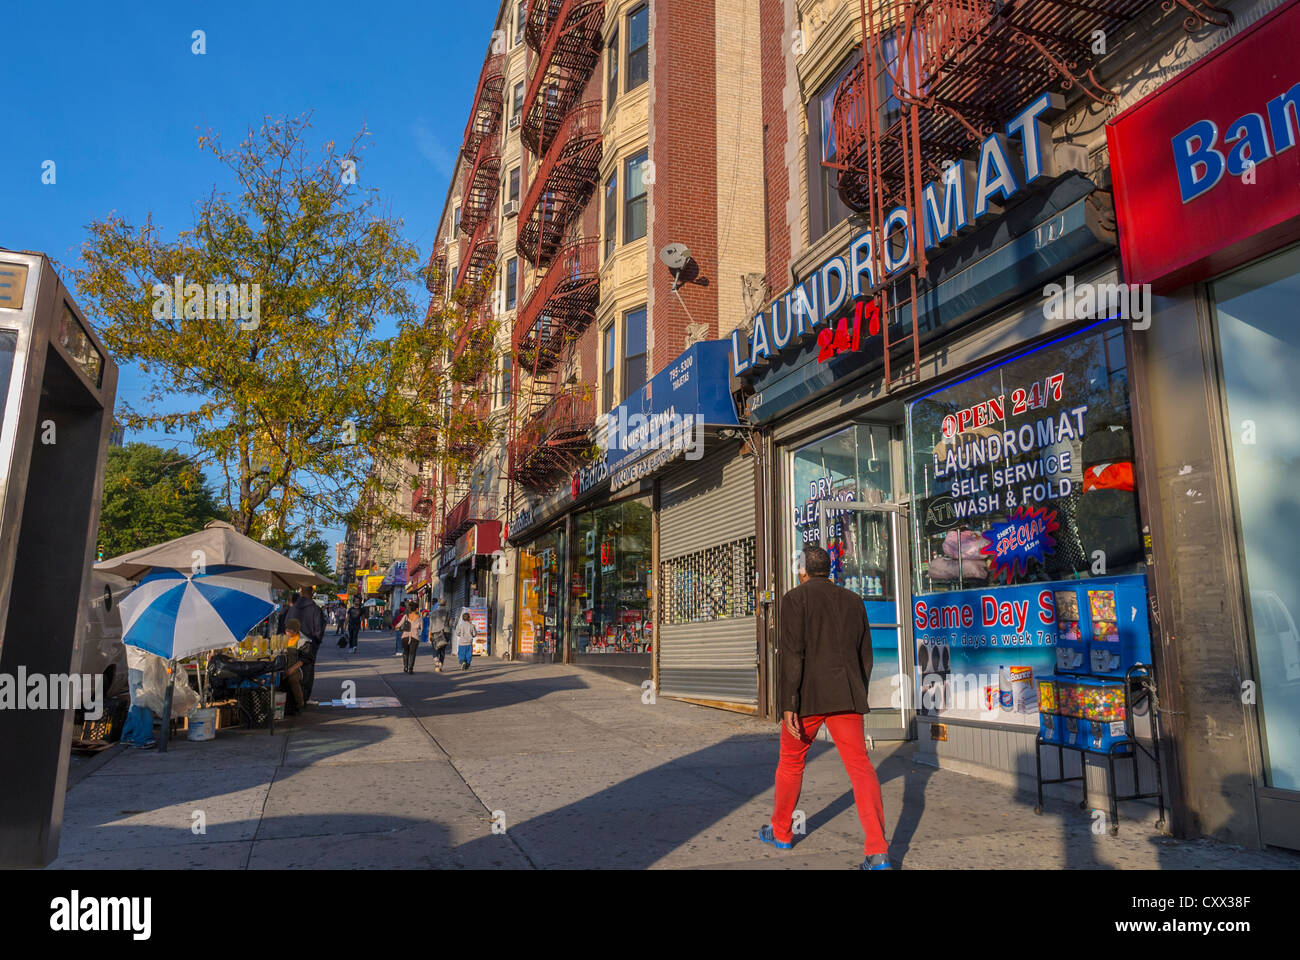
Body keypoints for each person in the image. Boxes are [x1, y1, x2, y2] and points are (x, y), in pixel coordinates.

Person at [759, 545, 891, 870]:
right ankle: (878, 851)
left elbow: (793, 654)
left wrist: (789, 702)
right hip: (845, 696)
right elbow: (866, 655)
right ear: (828, 570)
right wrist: (857, 691)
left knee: (791, 764)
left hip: (807, 699)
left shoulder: (793, 599)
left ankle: (781, 832)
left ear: (802, 570)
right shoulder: (853, 601)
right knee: (860, 767)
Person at [278, 587, 324, 701]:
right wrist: (315, 644)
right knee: (306, 674)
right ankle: (302, 700)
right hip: (308, 646)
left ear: (301, 592)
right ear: (312, 593)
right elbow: (319, 631)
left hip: (291, 645)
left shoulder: (292, 609)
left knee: (290, 670)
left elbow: (285, 626)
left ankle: (291, 700)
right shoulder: (315, 609)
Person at [280, 618, 309, 714]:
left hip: (297, 668)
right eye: (286, 629)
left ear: (296, 631)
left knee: (292, 679)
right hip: (282, 667)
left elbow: (303, 660)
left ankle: (299, 703)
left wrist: (291, 669)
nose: (287, 632)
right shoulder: (282, 639)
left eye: (290, 630)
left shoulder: (303, 641)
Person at [399, 601, 423, 673]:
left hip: (405, 637)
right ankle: (410, 668)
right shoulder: (419, 617)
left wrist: (396, 627)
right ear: (416, 609)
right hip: (414, 637)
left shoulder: (406, 616)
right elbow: (421, 628)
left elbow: (399, 624)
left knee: (405, 652)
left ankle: (405, 667)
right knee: (412, 653)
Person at [428, 600, 450, 671]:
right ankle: (440, 665)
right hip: (445, 632)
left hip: (435, 632)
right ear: (445, 604)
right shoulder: (447, 612)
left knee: (435, 648)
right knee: (442, 650)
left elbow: (430, 625)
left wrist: (429, 635)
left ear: (438, 604)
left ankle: (436, 659)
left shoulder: (433, 613)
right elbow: (451, 624)